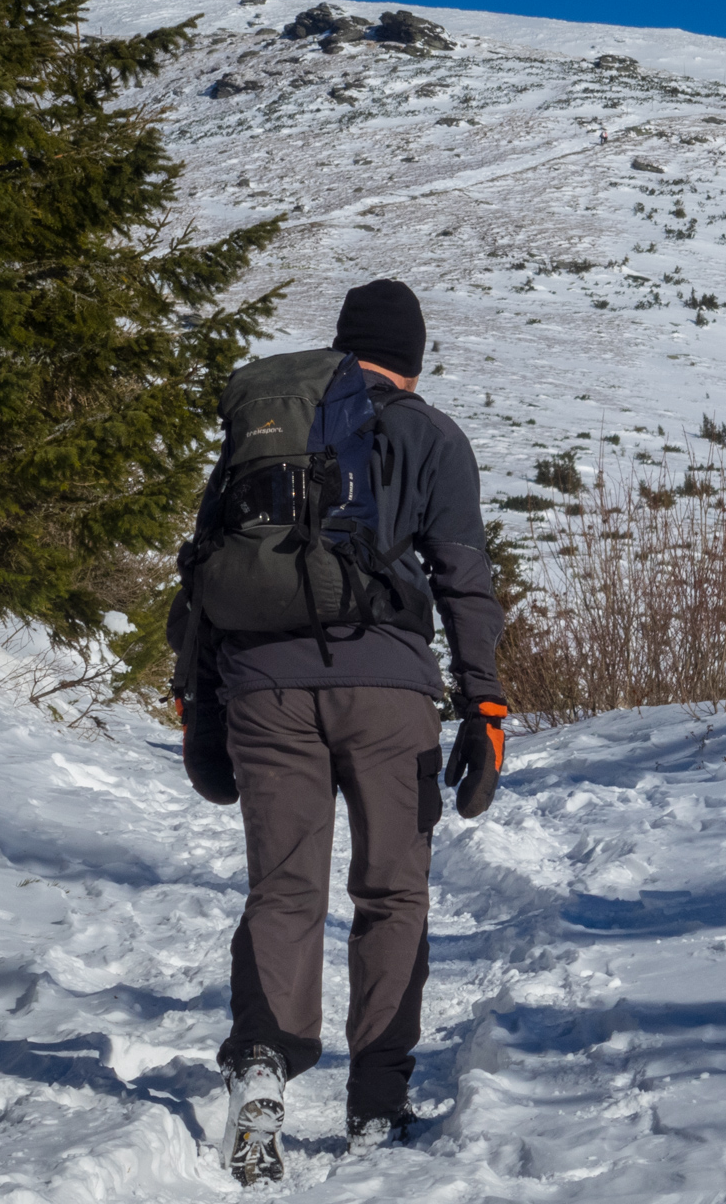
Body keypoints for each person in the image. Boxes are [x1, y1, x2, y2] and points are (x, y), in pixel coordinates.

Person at [177, 278, 507, 1185]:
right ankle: (377, 1101)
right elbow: (463, 581)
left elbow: (204, 571)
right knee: (392, 894)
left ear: (341, 347)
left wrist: (200, 703)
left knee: (283, 892)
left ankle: (259, 1071)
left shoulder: (271, 429)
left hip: (262, 688)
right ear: (414, 355)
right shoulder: (433, 436)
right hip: (389, 694)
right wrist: (485, 706)